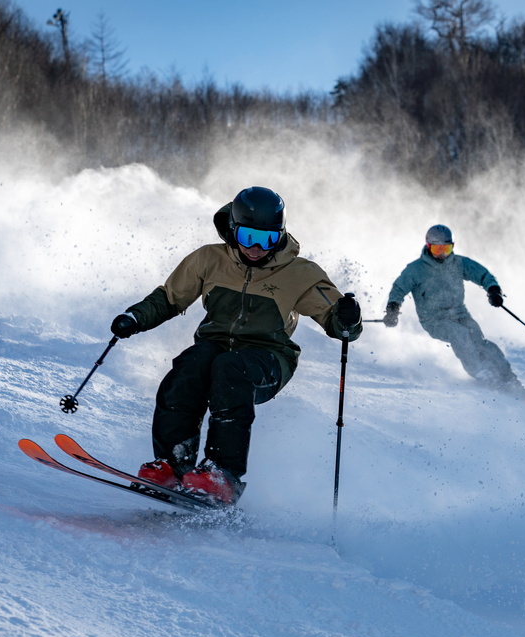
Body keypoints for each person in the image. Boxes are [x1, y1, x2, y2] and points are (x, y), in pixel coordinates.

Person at [109, 186, 362, 505]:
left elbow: (340, 326)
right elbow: (170, 298)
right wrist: (136, 317)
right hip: (216, 347)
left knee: (230, 370)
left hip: (268, 359)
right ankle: (173, 464)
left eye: (267, 239)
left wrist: (347, 318)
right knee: (189, 369)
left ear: (280, 235)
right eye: (247, 237)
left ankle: (222, 475)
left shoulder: (301, 273)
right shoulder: (209, 259)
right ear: (233, 230)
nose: (256, 248)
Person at [383, 224, 525, 399]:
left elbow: (482, 274)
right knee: (459, 335)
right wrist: (393, 309)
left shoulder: (458, 263)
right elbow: (398, 289)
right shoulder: (416, 269)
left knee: (481, 342)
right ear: (428, 246)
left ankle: (509, 379)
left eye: (446, 248)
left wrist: (493, 289)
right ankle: (484, 375)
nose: (441, 254)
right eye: (437, 248)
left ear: (452, 246)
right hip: (434, 319)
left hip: (460, 314)